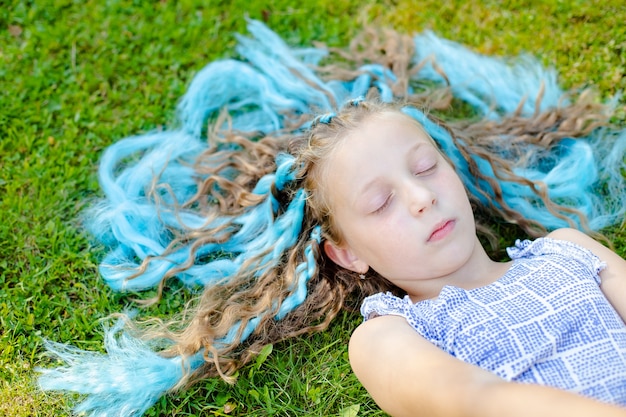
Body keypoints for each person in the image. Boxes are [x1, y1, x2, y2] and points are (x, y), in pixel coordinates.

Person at [38, 21, 626, 416]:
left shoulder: (567, 250)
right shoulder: (388, 336)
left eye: (425, 168)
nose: (420, 197)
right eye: (380, 202)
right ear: (347, 253)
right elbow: (475, 400)